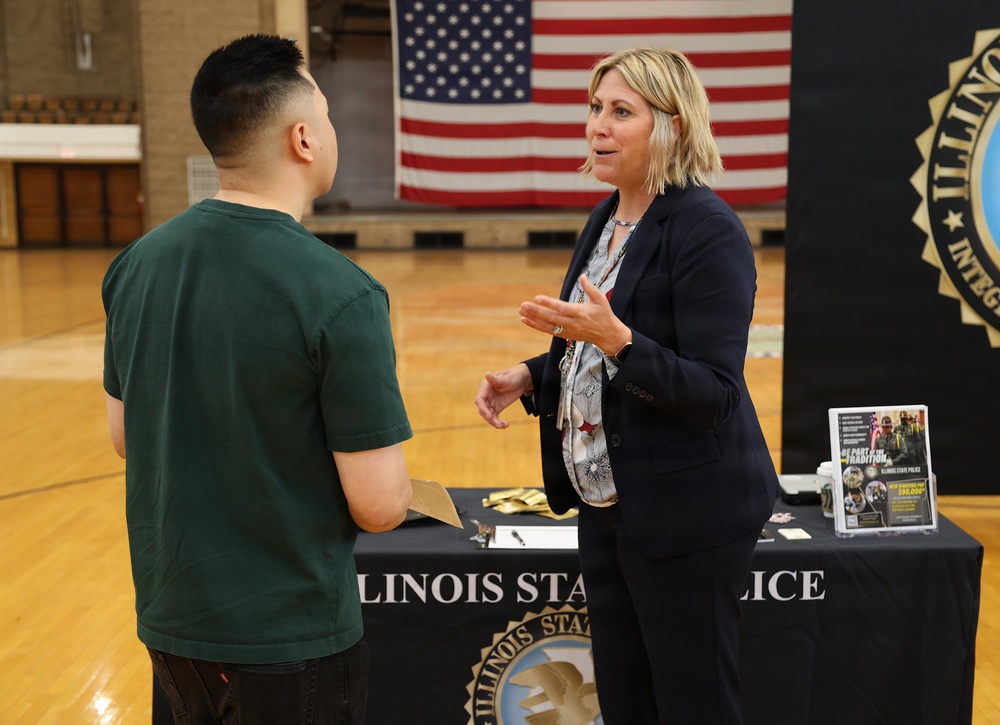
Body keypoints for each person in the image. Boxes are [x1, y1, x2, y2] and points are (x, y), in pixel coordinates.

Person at [102, 34, 413, 724]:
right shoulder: (343, 292)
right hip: (289, 632)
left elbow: (126, 435)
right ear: (304, 138)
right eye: (328, 116)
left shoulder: (136, 265)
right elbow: (380, 506)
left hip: (170, 620)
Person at [474, 47, 779, 724]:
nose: (597, 127)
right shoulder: (608, 218)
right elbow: (598, 349)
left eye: (620, 112)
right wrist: (531, 373)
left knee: (692, 704)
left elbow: (712, 391)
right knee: (625, 698)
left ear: (670, 125)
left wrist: (615, 339)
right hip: (611, 507)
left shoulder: (708, 230)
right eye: (593, 108)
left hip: (688, 513)